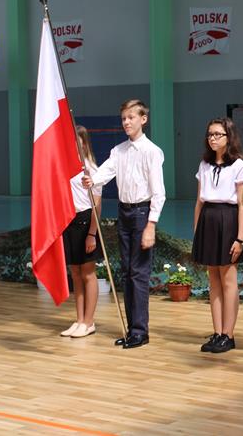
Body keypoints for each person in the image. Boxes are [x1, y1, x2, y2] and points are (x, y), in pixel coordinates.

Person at [82, 99, 166, 349]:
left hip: (141, 213)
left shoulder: (151, 151)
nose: (126, 122)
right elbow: (103, 174)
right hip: (124, 212)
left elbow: (159, 193)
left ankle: (140, 331)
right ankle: (132, 330)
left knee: (139, 273)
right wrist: (91, 180)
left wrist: (151, 225)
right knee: (127, 273)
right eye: (123, 119)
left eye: (131, 117)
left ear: (143, 119)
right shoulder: (118, 151)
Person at [192, 117, 243, 354]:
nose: (213, 138)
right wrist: (196, 232)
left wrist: (240, 238)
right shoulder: (204, 165)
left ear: (229, 137)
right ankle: (217, 332)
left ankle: (229, 334)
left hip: (228, 221)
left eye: (218, 134)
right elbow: (199, 201)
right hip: (208, 219)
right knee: (213, 280)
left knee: (228, 280)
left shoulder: (239, 166)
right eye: (210, 134)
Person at [61, 126, 103, 339]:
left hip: (86, 222)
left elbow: (97, 205)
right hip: (69, 221)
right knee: (75, 274)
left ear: (84, 144)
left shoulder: (91, 170)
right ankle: (79, 320)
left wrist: (91, 234)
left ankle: (89, 321)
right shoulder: (66, 168)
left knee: (87, 273)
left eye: (77, 141)